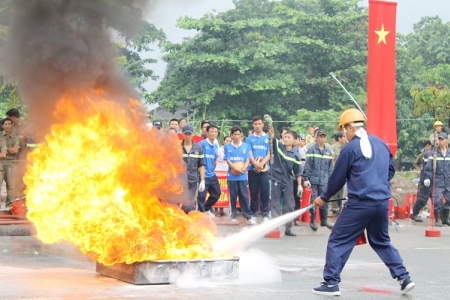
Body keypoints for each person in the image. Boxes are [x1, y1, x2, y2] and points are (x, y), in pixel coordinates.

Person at [311, 108, 415, 296]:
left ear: (351, 127)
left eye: (344, 129)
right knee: (381, 241)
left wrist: (323, 197)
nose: (344, 134)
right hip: (382, 203)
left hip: (359, 204)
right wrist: (376, 182)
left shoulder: (349, 149)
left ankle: (331, 283)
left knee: (338, 240)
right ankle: (404, 278)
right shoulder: (381, 144)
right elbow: (390, 172)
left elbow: (337, 178)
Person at [266, 116, 303, 236]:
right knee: (275, 203)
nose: (286, 139)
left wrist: (299, 186)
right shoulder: (278, 147)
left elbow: (297, 172)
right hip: (276, 178)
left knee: (289, 204)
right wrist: (270, 124)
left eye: (289, 137)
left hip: (288, 181)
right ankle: (275, 227)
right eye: (285, 136)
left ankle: (288, 228)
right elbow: (272, 136)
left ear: (294, 140)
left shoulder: (296, 155)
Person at [303, 129, 334, 230]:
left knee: (324, 199)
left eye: (324, 136)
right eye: (320, 136)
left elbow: (330, 167)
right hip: (313, 180)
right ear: (316, 137)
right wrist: (306, 178)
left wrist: (331, 179)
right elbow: (307, 165)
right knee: (313, 200)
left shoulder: (328, 151)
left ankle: (324, 220)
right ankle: (313, 221)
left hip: (324, 180)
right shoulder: (311, 149)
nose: (322, 138)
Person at [224, 125, 256, 225]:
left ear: (241, 135)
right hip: (232, 176)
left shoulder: (245, 146)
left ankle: (248, 216)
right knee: (233, 196)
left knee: (244, 196)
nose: (237, 136)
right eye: (235, 134)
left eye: (238, 134)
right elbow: (228, 160)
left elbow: (247, 159)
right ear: (231, 135)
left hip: (242, 176)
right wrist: (234, 168)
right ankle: (233, 214)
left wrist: (244, 168)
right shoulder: (228, 146)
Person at [246, 116, 271, 222]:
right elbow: (249, 152)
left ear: (263, 124)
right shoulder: (249, 139)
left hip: (265, 170)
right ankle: (253, 214)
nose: (257, 126)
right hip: (253, 170)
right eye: (255, 124)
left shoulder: (268, 138)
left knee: (265, 192)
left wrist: (262, 164)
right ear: (253, 125)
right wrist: (255, 164)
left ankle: (265, 214)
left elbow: (269, 153)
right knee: (254, 192)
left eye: (259, 124)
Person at [423, 132, 450, 226]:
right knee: (437, 200)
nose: (440, 141)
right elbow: (429, 168)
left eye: (442, 139)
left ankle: (446, 218)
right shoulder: (434, 153)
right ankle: (438, 219)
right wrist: (427, 178)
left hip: (448, 181)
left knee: (449, 199)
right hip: (438, 181)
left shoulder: (449, 153)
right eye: (439, 139)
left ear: (447, 140)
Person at [181, 124, 205, 214]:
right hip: (180, 181)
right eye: (186, 134)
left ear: (193, 134)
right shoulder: (178, 148)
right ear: (182, 134)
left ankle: (189, 222)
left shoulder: (198, 148)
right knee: (177, 203)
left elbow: (201, 165)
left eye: (189, 134)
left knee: (189, 204)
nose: (188, 136)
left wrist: (202, 180)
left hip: (192, 181)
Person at [197, 124, 221, 217]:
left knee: (216, 194)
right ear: (207, 132)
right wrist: (200, 169)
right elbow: (197, 158)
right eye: (211, 131)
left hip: (212, 175)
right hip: (203, 175)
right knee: (201, 196)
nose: (213, 133)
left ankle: (206, 208)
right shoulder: (202, 144)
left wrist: (212, 169)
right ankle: (201, 214)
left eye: (215, 131)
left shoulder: (215, 146)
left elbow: (214, 160)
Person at [411, 140, 433, 222]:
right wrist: (420, 171)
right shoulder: (424, 155)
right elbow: (418, 164)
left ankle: (440, 217)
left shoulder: (438, 154)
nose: (428, 147)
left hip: (436, 180)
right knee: (422, 198)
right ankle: (415, 214)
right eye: (426, 146)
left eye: (429, 146)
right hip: (425, 179)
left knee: (437, 199)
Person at [1, 118, 19, 212]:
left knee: (11, 186)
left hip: (11, 163)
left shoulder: (15, 137)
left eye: (9, 124)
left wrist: (3, 150)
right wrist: (9, 150)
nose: (7, 126)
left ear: (11, 125)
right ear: (2, 126)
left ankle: (9, 207)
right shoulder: (0, 136)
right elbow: (11, 150)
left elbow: (15, 150)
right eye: (5, 124)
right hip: (0, 163)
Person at [329, 132, 347, 214]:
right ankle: (334, 208)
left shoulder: (345, 147)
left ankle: (341, 207)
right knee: (334, 191)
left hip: (343, 172)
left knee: (342, 191)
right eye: (343, 137)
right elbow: (331, 161)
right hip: (335, 172)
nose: (345, 138)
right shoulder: (332, 148)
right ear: (339, 138)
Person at [214, 135, 232, 216]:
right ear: (223, 141)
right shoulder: (219, 150)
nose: (228, 142)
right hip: (218, 171)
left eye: (230, 141)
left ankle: (222, 209)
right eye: (227, 140)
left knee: (225, 190)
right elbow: (214, 159)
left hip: (227, 171)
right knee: (217, 190)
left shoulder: (232, 150)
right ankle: (216, 209)